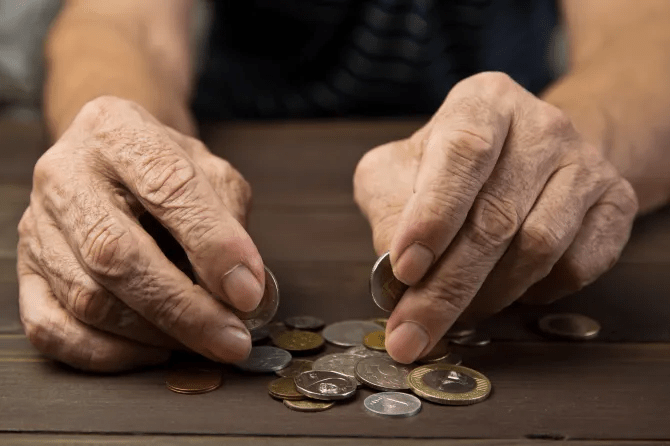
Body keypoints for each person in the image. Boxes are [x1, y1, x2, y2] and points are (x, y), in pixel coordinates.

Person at [16, 0, 670, 372]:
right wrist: (128, 141)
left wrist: (564, 152)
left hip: (511, 123)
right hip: (237, 144)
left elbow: (645, 34)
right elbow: (119, 22)